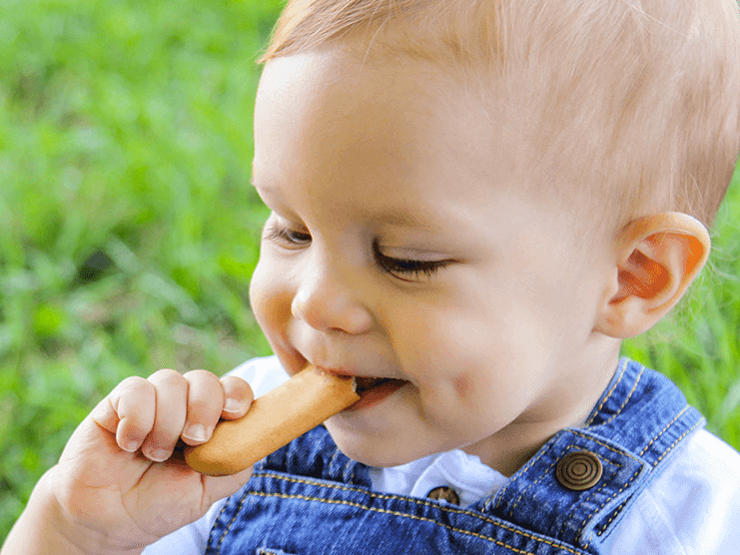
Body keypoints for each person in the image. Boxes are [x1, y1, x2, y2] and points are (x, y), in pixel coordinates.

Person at [4, 0, 740, 553]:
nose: (315, 300)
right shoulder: (220, 467)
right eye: (292, 229)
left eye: (404, 259)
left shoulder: (698, 522)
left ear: (632, 277)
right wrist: (74, 530)